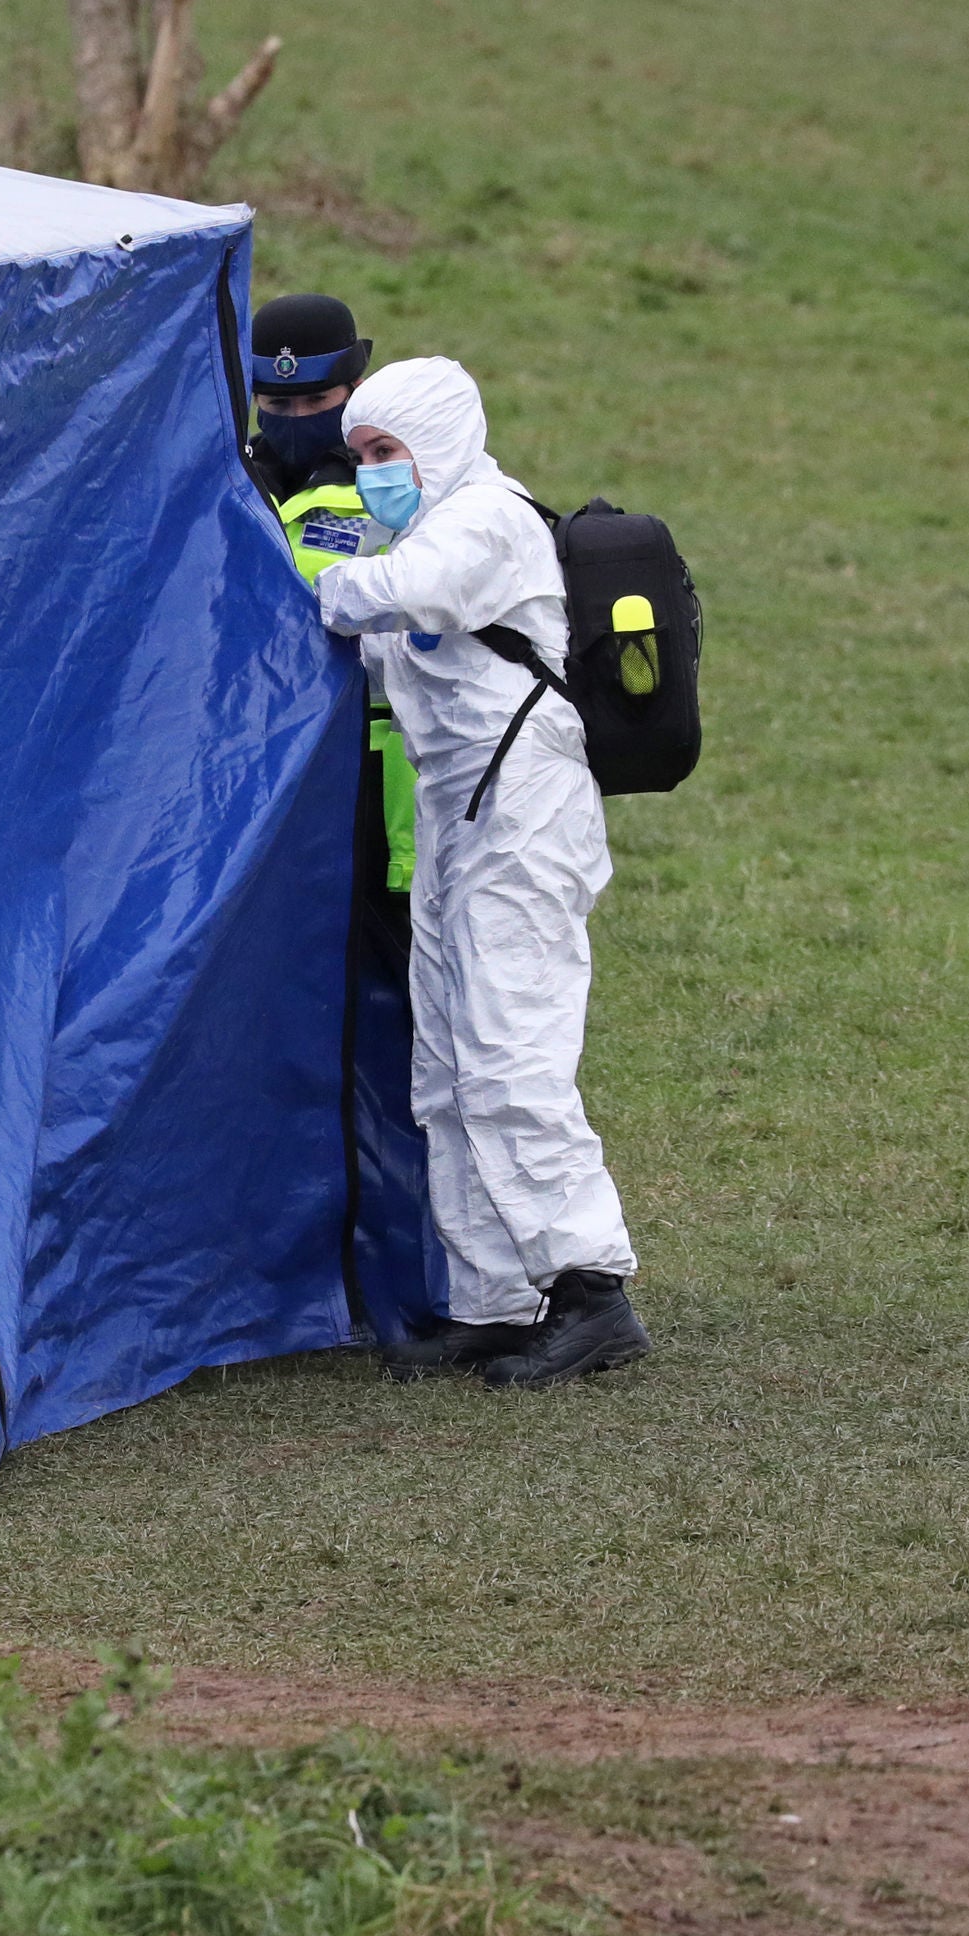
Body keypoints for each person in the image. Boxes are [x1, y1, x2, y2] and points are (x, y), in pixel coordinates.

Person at [312, 361, 650, 1386]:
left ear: (439, 439)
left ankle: (589, 1287)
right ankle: (495, 1301)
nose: (370, 475)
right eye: (359, 457)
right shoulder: (424, 531)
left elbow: (388, 597)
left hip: (525, 812)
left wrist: (302, 581)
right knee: (450, 1064)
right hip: (462, 815)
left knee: (511, 1049)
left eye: (384, 454)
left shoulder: (482, 521)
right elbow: (386, 649)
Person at [244, 292, 414, 896]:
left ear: (355, 388)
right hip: (249, 746)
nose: (297, 417)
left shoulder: (392, 485)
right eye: (278, 402)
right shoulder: (225, 482)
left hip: (364, 752)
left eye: (317, 400)